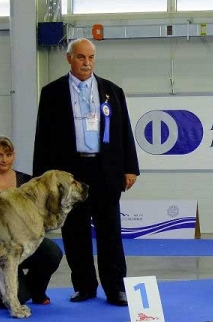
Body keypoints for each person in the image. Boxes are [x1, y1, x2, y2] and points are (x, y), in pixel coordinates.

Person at [33, 38, 140, 306]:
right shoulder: (51, 92)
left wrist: (130, 168)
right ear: (69, 59)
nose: (87, 63)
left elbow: (124, 131)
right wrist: (42, 179)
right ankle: (84, 286)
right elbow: (42, 138)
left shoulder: (112, 91)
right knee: (75, 233)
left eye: (91, 58)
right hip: (70, 174)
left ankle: (115, 288)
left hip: (105, 170)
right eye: (81, 57)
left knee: (110, 234)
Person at [0, 136, 63, 308]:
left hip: (24, 243)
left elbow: (41, 211)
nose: (4, 159)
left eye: (8, 155)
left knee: (52, 252)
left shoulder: (28, 181)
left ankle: (35, 290)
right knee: (17, 298)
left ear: (14, 155)